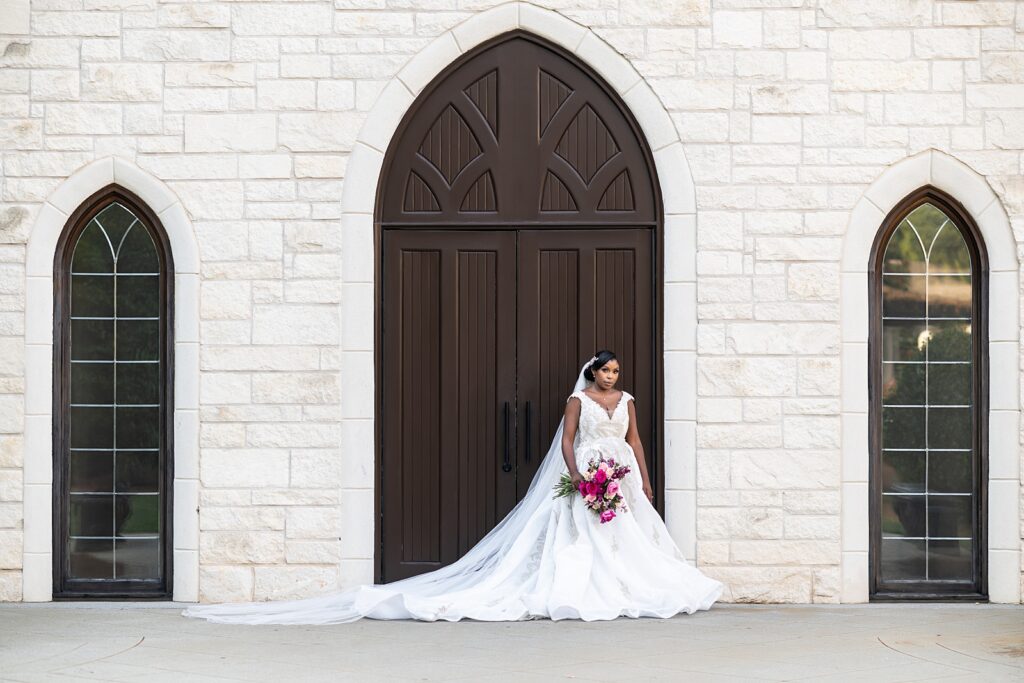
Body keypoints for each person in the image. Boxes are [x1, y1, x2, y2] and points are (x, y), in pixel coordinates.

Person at [183, 351, 723, 624]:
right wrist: (579, 475)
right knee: (583, 530)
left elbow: (637, 440)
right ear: (591, 375)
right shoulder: (577, 402)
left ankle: (632, 582)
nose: (612, 377)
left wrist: (644, 481)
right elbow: (566, 442)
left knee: (627, 533)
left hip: (622, 471)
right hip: (588, 469)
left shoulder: (627, 402)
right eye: (605, 371)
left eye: (615, 371)